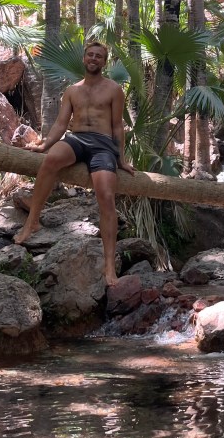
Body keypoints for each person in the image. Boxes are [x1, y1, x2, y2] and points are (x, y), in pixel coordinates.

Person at [14, 40, 135, 285]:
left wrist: (121, 159)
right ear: (84, 58)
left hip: (103, 144)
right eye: (90, 54)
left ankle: (109, 267)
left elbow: (117, 126)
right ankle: (32, 222)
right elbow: (61, 124)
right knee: (51, 160)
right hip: (77, 138)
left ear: (104, 62)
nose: (93, 58)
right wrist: (45, 144)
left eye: (98, 56)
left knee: (106, 196)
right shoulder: (72, 90)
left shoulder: (114, 89)